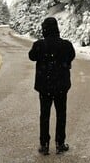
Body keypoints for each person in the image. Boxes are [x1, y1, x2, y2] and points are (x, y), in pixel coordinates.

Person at [28, 17, 76, 155]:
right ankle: (60, 144)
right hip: (61, 86)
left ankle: (44, 144)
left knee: (44, 115)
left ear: (44, 29)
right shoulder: (66, 45)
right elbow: (71, 56)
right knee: (61, 114)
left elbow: (31, 56)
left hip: (45, 86)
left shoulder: (39, 45)